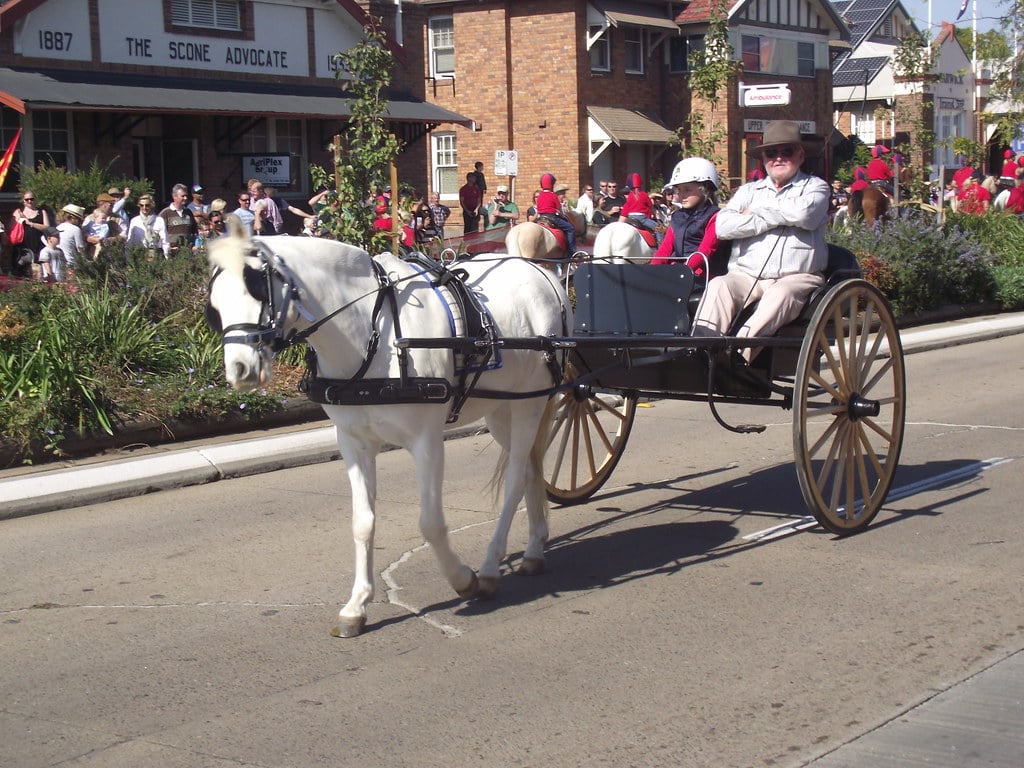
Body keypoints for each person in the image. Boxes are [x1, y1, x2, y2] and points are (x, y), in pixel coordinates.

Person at [691, 120, 829, 363]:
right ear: (763, 158)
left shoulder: (815, 187)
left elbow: (805, 215)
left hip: (797, 277)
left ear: (800, 154)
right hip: (746, 276)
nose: (778, 158)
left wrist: (756, 211)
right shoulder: (747, 191)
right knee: (719, 285)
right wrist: (779, 215)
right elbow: (723, 227)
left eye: (786, 151)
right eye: (771, 152)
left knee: (781, 293)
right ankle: (701, 351)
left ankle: (738, 355)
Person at [650, 157, 728, 282]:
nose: (681, 195)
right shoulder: (677, 217)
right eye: (679, 190)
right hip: (678, 274)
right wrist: (650, 271)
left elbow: (704, 252)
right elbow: (665, 249)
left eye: (687, 189)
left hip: (704, 276)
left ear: (705, 188)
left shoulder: (715, 216)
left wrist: (683, 272)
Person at [11, 190, 51, 278]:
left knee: (38, 272)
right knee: (22, 272)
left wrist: (31, 224)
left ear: (35, 200)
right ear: (23, 201)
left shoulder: (41, 212)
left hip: (38, 245)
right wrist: (18, 219)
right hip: (23, 247)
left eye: (31, 199)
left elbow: (47, 227)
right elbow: (12, 228)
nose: (29, 201)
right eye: (27, 199)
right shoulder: (18, 212)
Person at [533, 173, 577, 254]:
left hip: (540, 218)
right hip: (552, 218)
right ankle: (572, 251)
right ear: (552, 184)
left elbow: (538, 209)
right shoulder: (553, 196)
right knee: (570, 228)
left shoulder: (540, 196)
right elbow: (559, 210)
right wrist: (563, 216)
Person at [82, 192, 124, 260]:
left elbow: (124, 235)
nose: (112, 206)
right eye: (111, 205)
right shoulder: (90, 218)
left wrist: (113, 239)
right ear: (102, 205)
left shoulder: (118, 219)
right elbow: (83, 233)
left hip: (112, 255)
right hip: (93, 253)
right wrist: (91, 239)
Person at [158, 183, 197, 255]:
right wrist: (167, 248)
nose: (185, 198)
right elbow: (158, 234)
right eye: (183, 196)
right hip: (172, 254)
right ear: (174, 196)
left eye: (186, 196)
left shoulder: (188, 212)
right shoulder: (165, 213)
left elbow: (194, 231)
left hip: (187, 254)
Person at [126, 194, 169, 258]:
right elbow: (130, 241)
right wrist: (128, 258)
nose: (144, 208)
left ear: (151, 205)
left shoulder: (159, 220)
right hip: (140, 253)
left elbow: (165, 241)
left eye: (147, 205)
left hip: (156, 253)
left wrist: (167, 257)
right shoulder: (134, 221)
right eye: (141, 205)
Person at [620, 172, 660, 239]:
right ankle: (660, 245)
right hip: (642, 218)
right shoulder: (644, 194)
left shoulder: (629, 196)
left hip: (630, 218)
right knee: (659, 229)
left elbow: (625, 210)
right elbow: (651, 207)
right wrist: (656, 216)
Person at [55, 203, 85, 280]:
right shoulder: (75, 229)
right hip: (70, 263)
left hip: (58, 263)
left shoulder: (58, 227)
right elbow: (80, 248)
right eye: (78, 219)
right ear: (72, 218)